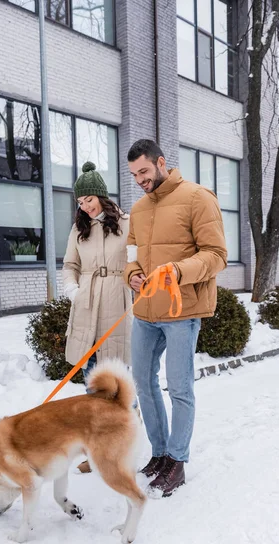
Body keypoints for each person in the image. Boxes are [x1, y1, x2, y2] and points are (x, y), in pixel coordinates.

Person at [124, 139, 227, 497]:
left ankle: (177, 461)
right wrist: (132, 276)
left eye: (144, 171)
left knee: (179, 388)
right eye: (134, 174)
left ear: (161, 162)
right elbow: (132, 256)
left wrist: (178, 271)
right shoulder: (137, 209)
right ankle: (159, 453)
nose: (139, 179)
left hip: (182, 310)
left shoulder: (198, 197)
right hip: (145, 312)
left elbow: (216, 255)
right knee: (143, 382)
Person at [63, 161, 134, 473]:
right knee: (92, 381)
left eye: (88, 200)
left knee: (118, 380)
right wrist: (73, 292)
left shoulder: (128, 223)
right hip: (87, 305)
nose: (85, 207)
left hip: (117, 303)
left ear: (102, 197)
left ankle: (125, 442)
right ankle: (96, 451)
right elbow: (69, 265)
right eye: (80, 202)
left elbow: (138, 261)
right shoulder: (79, 230)